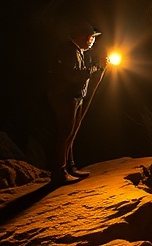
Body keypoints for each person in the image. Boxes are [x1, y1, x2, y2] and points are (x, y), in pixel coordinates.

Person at [46, 21, 108, 185]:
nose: (93, 41)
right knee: (65, 133)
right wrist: (95, 68)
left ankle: (70, 167)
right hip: (65, 98)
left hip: (74, 97)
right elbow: (72, 76)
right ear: (86, 37)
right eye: (92, 38)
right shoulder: (69, 51)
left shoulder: (77, 51)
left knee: (71, 133)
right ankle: (59, 172)